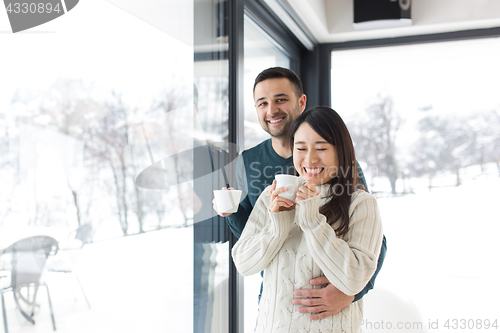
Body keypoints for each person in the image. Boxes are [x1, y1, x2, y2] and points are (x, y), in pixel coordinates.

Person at [214, 67, 387, 318]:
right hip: (275, 298)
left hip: (326, 301)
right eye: (262, 103)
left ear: (301, 102)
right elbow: (252, 235)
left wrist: (352, 293)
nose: (271, 110)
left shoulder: (339, 165)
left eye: (280, 99)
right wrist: (232, 212)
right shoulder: (248, 161)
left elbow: (371, 239)